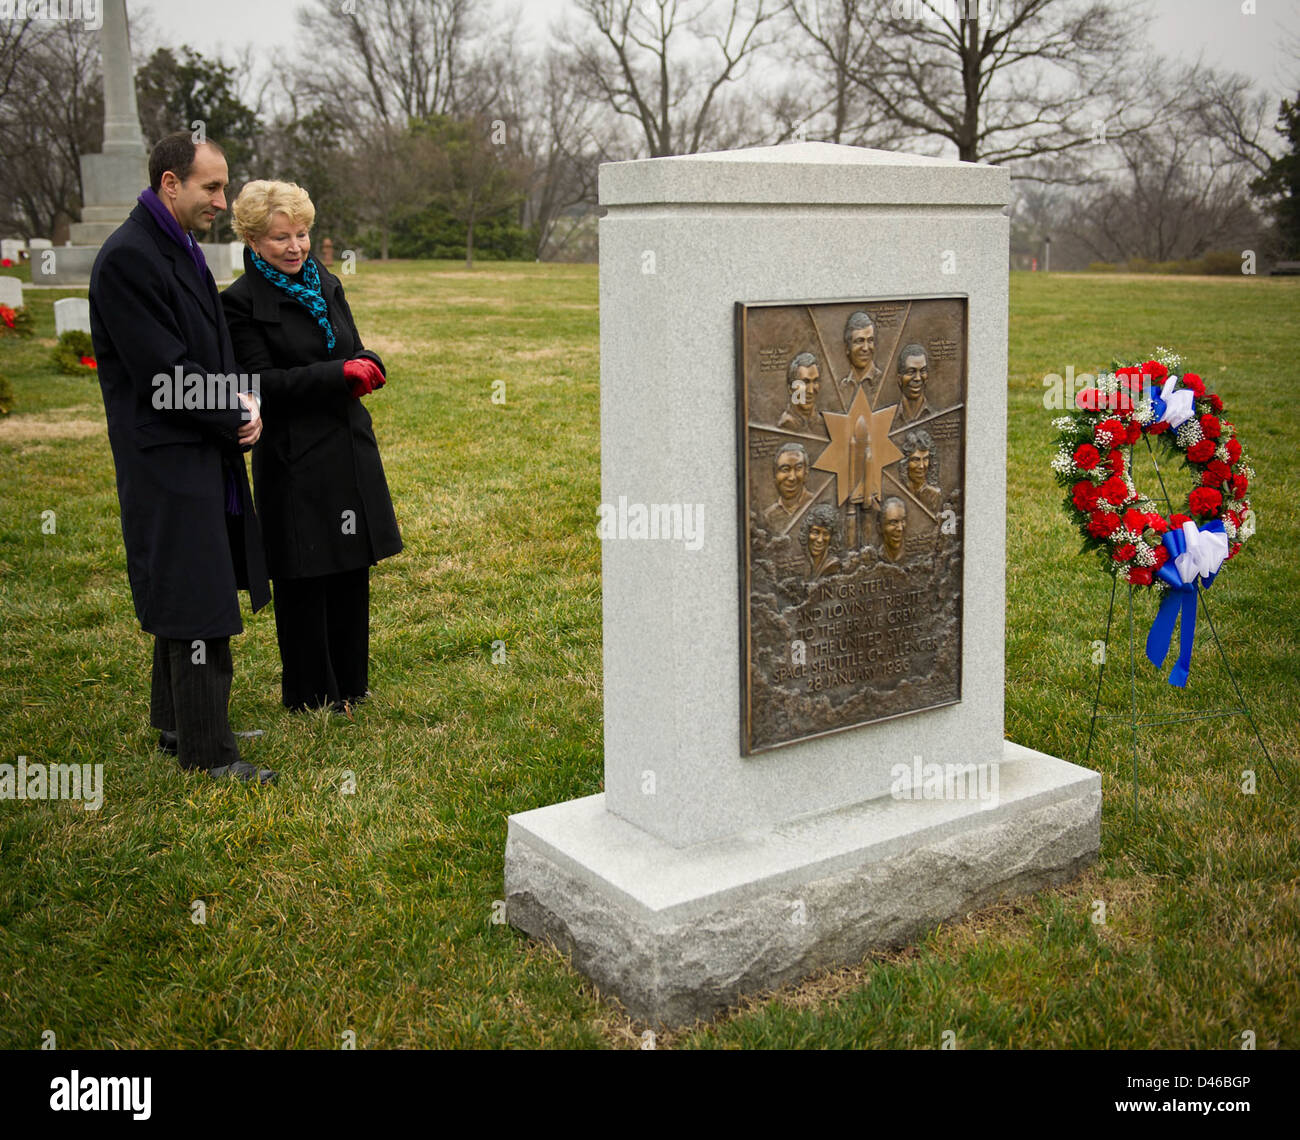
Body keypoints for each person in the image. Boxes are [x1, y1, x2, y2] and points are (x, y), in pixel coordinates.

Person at [89, 131, 276, 784]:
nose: (223, 201)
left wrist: (239, 400)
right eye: (212, 187)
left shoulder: (174, 247)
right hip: (167, 458)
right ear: (171, 183)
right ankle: (209, 752)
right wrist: (235, 415)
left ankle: (180, 724)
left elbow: (205, 349)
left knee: (190, 582)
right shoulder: (129, 260)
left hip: (198, 447)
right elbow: (163, 372)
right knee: (194, 595)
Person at [221, 180, 402, 713]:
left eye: (301, 234)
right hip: (294, 457)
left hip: (348, 447)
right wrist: (337, 375)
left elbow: (354, 345)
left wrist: (369, 363)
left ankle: (351, 684)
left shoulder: (326, 281)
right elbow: (259, 383)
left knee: (349, 568)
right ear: (253, 241)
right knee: (306, 572)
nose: (295, 247)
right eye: (280, 238)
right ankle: (310, 694)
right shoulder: (239, 304)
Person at [762, 442, 816, 533]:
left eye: (798, 468)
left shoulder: (816, 504)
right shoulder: (768, 516)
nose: (792, 477)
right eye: (785, 469)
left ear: (806, 473)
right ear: (775, 475)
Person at [837, 310, 884, 408]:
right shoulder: (842, 388)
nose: (866, 348)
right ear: (847, 348)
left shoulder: (883, 381)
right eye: (859, 341)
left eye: (870, 340)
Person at [776, 351, 822, 433]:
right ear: (790, 389)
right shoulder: (786, 424)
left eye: (815, 381)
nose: (811, 391)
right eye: (804, 382)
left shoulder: (823, 423)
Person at [899, 428, 942, 515]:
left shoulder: (933, 495)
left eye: (925, 459)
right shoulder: (899, 488)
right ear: (905, 462)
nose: (922, 466)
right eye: (916, 460)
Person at [891, 343, 933, 427]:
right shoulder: (888, 420)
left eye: (922, 371)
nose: (917, 378)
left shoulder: (936, 415)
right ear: (900, 379)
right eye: (911, 372)